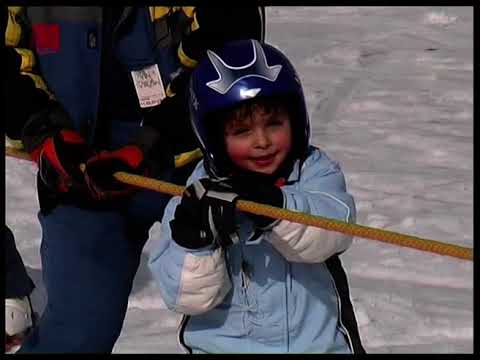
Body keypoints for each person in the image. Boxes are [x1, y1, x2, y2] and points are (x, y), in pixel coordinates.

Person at [5, 6, 265, 352]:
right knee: (76, 331)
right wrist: (39, 127)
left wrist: (159, 140)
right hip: (80, 169)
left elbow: (232, 48)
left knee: (249, 320)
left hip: (197, 165)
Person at [148, 39, 366, 353]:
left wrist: (276, 207)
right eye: (242, 132)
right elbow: (187, 297)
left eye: (274, 124)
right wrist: (194, 240)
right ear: (213, 137)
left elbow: (334, 229)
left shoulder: (313, 172)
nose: (261, 141)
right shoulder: (196, 193)